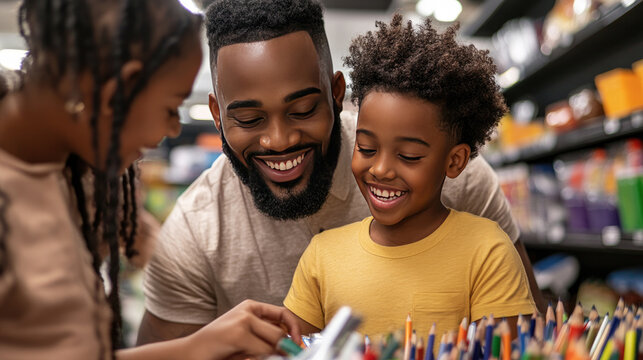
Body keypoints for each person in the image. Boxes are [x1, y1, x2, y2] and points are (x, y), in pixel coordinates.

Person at [138, 0, 544, 344]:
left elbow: (534, 336)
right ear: (217, 115)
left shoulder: (459, 178)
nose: (278, 140)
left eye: (302, 110)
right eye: (248, 119)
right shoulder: (194, 231)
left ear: (336, 93)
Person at [0, 0, 299, 359]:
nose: (173, 127)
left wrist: (200, 345)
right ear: (118, 92)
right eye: (171, 107)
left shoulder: (61, 174)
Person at [283, 14, 536, 344]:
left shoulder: (486, 252)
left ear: (455, 160)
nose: (381, 169)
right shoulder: (322, 256)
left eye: (409, 156)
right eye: (367, 147)